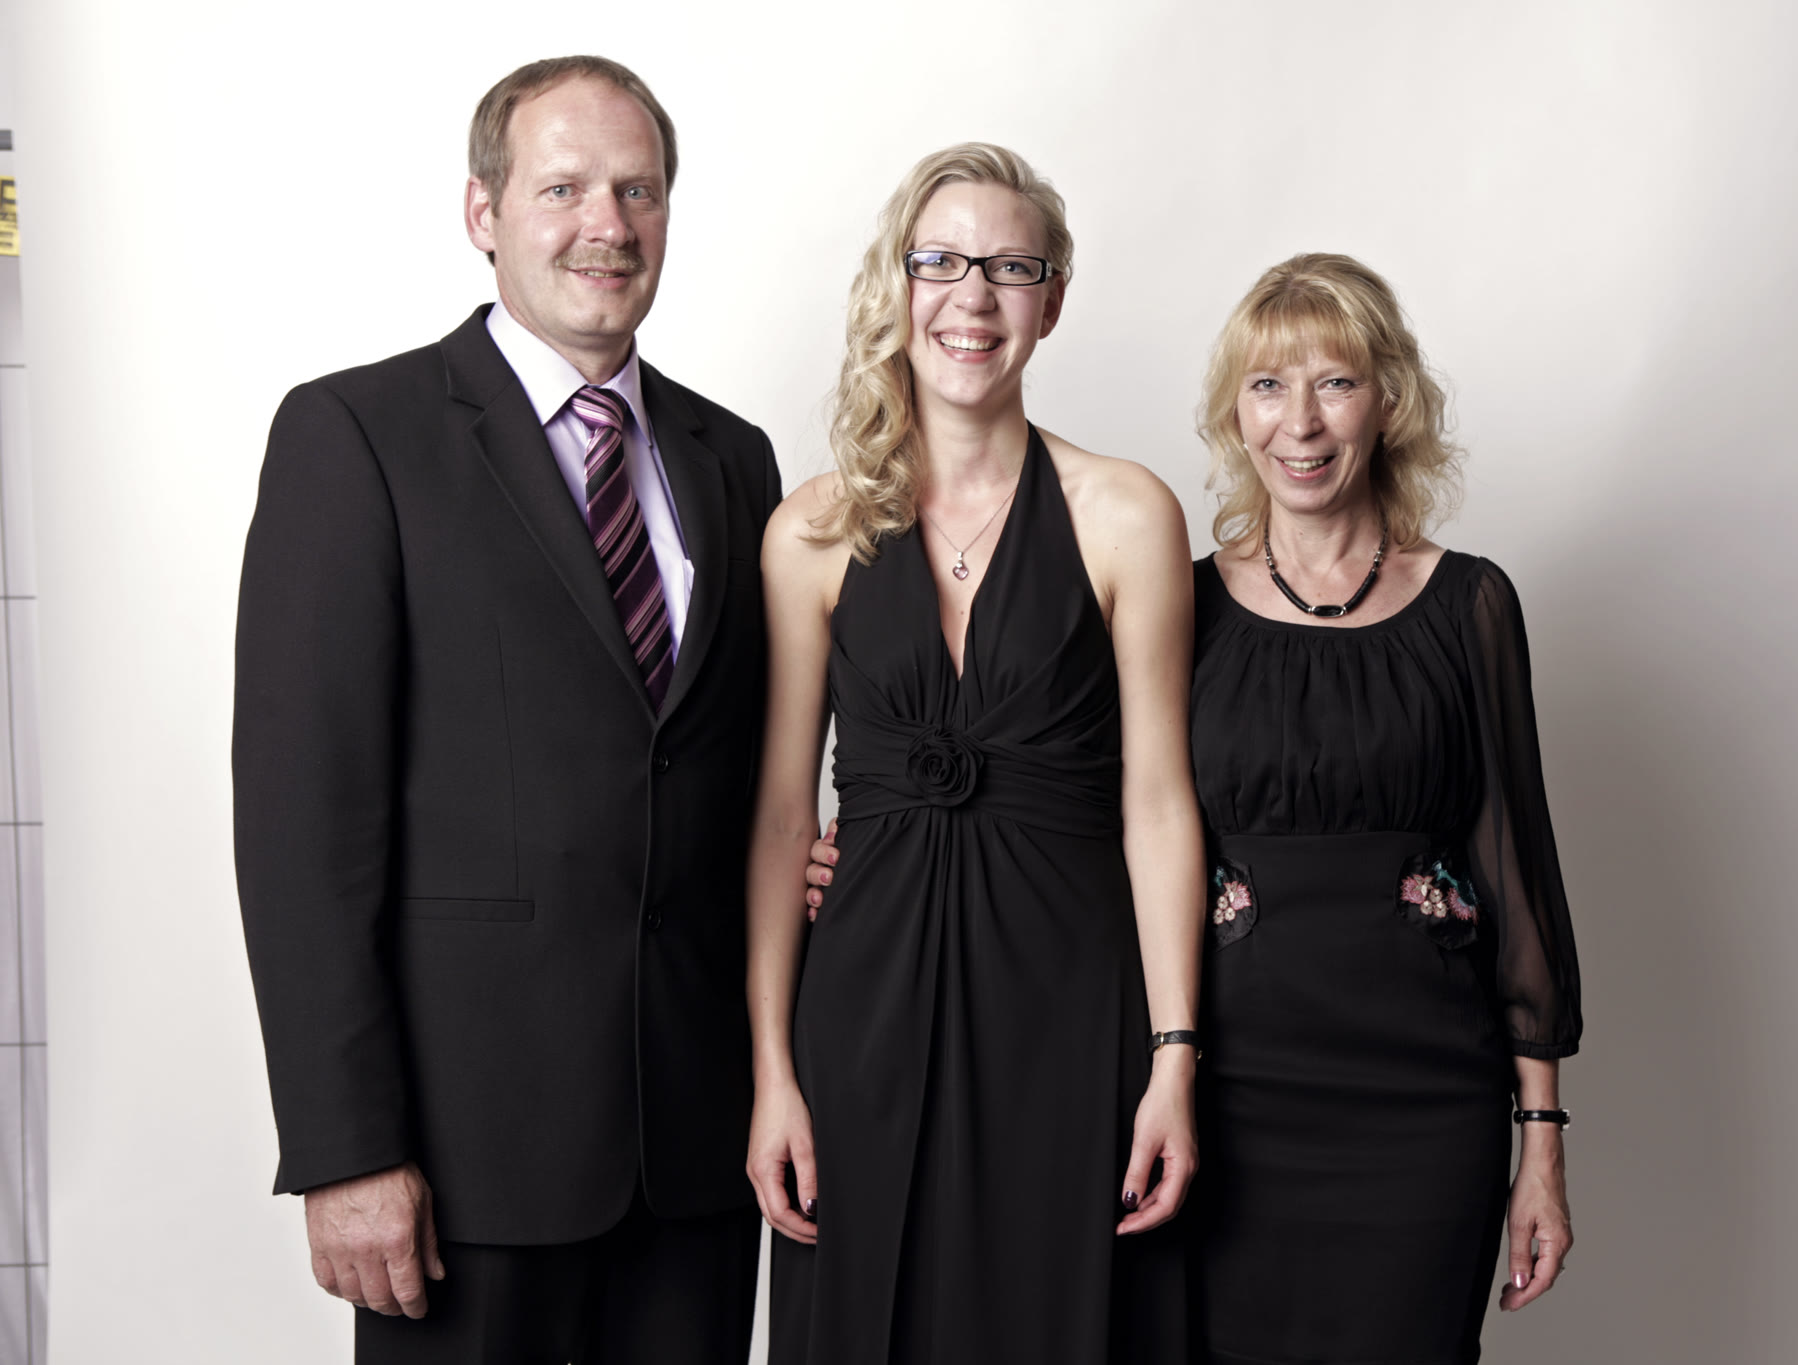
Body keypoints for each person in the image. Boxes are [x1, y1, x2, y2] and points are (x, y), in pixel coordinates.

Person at [807, 252, 1584, 1364]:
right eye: (1268, 386)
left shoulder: (1470, 605)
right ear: (1233, 414)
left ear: (1390, 403)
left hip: (1424, 1097)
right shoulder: (1186, 597)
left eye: (1336, 382)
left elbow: (1518, 876)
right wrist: (879, 845)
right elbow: (1089, 800)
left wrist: (1540, 1138)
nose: (1300, 422)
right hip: (1222, 1089)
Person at [233, 56, 779, 1363]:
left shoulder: (736, 460)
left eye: (637, 190)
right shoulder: (356, 435)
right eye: (563, 188)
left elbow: (738, 776)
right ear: (482, 212)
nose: (609, 225)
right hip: (462, 1161)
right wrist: (345, 1147)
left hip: (698, 1147)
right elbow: (303, 825)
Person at [744, 143, 1204, 1365]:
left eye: (1010, 268)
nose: (973, 297)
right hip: (860, 1014)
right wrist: (772, 1072)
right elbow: (782, 817)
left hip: (1071, 1010)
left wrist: (1173, 1060)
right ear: (896, 284)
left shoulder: (1127, 513)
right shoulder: (809, 531)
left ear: (1051, 300)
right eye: (940, 262)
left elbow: (1159, 804)